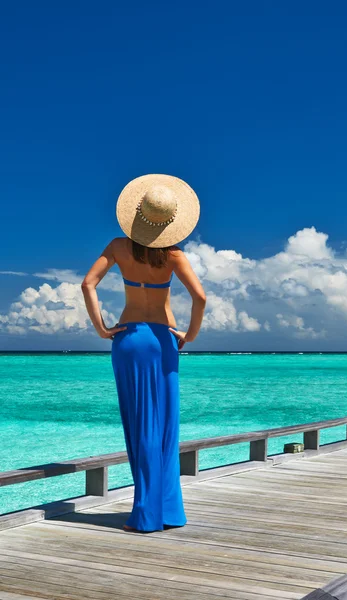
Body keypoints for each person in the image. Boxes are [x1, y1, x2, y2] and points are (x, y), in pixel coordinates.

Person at [81, 174, 207, 533]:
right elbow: (200, 298)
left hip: (129, 339)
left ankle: (146, 514)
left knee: (141, 425)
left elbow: (88, 284)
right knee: (166, 425)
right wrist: (191, 335)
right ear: (169, 223)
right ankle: (167, 512)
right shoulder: (173, 255)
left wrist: (102, 329)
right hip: (164, 340)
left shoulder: (119, 247)